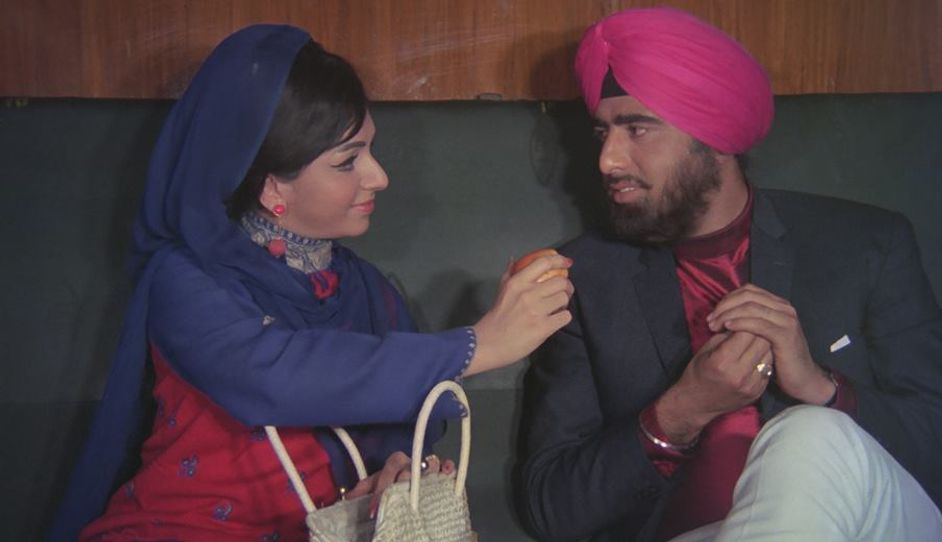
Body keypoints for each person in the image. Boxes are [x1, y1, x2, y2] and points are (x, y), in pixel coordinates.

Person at [49, 25, 573, 541]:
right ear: (272, 187)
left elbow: (400, 414)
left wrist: (393, 469)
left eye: (370, 150)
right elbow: (276, 375)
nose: (379, 177)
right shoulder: (187, 279)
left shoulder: (364, 288)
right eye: (348, 161)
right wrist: (478, 345)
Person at [516, 7, 942, 542]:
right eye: (602, 132)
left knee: (811, 433)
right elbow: (551, 510)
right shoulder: (584, 281)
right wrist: (680, 411)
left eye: (638, 129)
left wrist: (822, 388)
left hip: (871, 524)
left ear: (717, 137)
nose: (607, 160)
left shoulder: (864, 246)